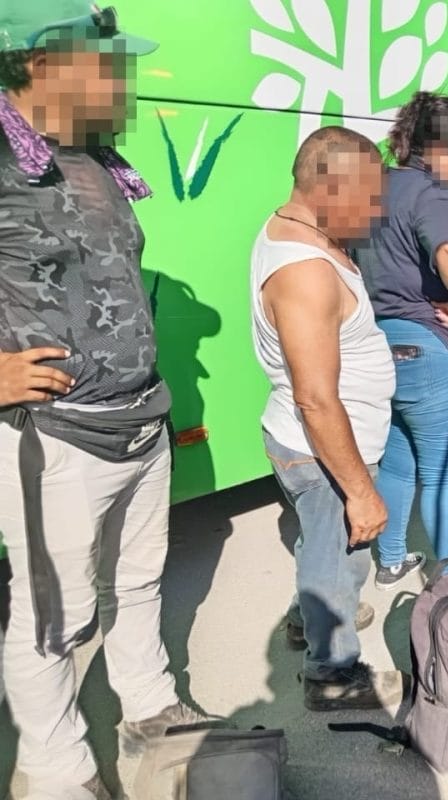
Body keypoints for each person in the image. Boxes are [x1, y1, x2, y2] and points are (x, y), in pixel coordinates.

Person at [0, 6, 204, 797]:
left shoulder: (96, 160)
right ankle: (53, 770)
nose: (123, 78)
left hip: (139, 424)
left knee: (141, 581)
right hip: (53, 436)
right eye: (107, 62)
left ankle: (150, 709)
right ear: (41, 63)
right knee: (53, 615)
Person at [252, 127, 407, 711]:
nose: (374, 211)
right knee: (341, 549)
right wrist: (362, 492)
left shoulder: (300, 233)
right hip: (320, 448)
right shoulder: (305, 271)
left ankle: (306, 621)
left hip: (314, 441)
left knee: (321, 542)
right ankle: (333, 671)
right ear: (327, 185)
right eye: (366, 197)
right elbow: (316, 399)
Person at [355, 92, 448, 583]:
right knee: (443, 477)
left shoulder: (375, 187)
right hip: (436, 351)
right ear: (447, 149)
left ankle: (390, 559)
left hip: (383, 344)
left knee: (397, 461)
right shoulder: (430, 194)